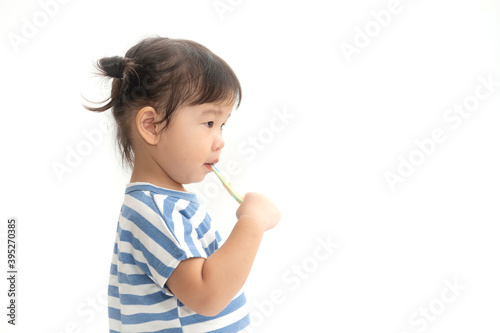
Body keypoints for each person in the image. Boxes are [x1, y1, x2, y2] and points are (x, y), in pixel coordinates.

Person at [85, 36, 280, 332]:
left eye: (222, 124)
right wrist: (252, 222)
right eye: (209, 123)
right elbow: (206, 294)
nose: (220, 140)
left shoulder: (165, 203)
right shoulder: (157, 211)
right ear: (151, 126)